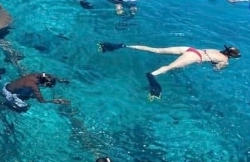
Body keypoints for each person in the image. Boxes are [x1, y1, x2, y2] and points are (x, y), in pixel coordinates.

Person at [98, 42, 241, 100]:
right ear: (231, 56)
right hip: (194, 56)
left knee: (156, 50)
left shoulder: (216, 49)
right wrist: (220, 67)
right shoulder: (225, 60)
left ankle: (120, 46)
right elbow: (216, 69)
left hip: (189, 49)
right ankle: (152, 76)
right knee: (169, 67)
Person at [1, 72, 69, 112]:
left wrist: (59, 80)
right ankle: (5, 104)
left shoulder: (37, 75)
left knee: (30, 93)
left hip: (8, 85)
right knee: (25, 108)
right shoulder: (34, 86)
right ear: (44, 84)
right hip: (9, 94)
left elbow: (46, 75)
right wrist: (54, 101)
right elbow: (41, 101)